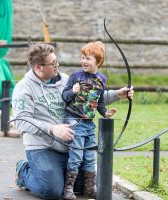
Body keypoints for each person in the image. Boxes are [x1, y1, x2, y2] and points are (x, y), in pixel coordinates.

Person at [12, 42, 133, 200]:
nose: (58, 65)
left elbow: (90, 99)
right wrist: (52, 129)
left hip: (71, 146)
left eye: (57, 60)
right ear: (38, 67)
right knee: (52, 191)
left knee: (89, 186)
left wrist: (117, 95)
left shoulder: (66, 80)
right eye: (53, 63)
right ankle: (24, 170)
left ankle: (57, 175)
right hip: (43, 149)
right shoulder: (24, 88)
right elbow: (21, 120)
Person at [61, 41, 116, 199]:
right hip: (74, 120)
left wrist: (105, 113)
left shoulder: (102, 79)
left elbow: (98, 102)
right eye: (82, 57)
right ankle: (68, 189)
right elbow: (64, 97)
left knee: (90, 157)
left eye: (88, 58)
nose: (83, 61)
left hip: (89, 124)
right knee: (76, 156)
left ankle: (89, 189)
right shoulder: (75, 76)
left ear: (98, 62)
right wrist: (73, 90)